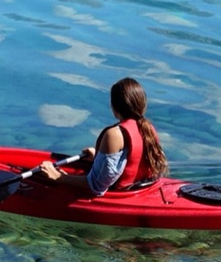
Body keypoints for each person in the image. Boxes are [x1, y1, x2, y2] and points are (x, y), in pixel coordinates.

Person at [39, 77, 168, 196]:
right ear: (143, 106)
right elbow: (130, 160)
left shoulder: (114, 134)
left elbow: (97, 186)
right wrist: (98, 158)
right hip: (142, 188)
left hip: (122, 195)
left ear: (113, 106)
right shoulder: (148, 128)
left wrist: (58, 177)